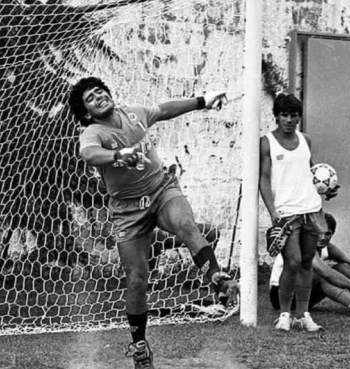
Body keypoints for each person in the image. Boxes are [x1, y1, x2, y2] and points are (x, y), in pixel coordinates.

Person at [68, 77, 239, 369]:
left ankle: (215, 277)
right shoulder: (94, 132)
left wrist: (202, 100)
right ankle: (140, 345)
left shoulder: (134, 113)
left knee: (187, 227)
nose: (98, 97)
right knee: (136, 279)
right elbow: (88, 153)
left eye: (100, 92)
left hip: (161, 191)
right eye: (91, 99)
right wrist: (118, 155)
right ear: (86, 114)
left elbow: (163, 110)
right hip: (128, 211)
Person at [259, 93, 338, 332]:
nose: (289, 120)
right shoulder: (267, 142)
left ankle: (303, 315)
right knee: (291, 261)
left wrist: (328, 189)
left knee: (306, 263)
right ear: (276, 116)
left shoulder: (306, 140)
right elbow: (263, 179)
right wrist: (273, 211)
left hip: (311, 209)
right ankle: (284, 315)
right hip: (286, 212)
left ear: (299, 117)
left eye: (294, 115)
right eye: (284, 115)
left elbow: (311, 173)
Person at [269, 212, 350, 320]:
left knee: (345, 267)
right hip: (281, 295)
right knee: (320, 275)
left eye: (327, 233)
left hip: (304, 294)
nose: (322, 238)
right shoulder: (303, 244)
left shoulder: (328, 248)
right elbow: (325, 273)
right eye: (318, 233)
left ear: (333, 233)